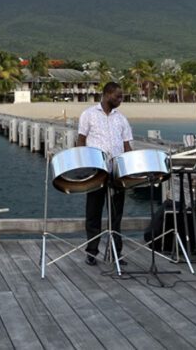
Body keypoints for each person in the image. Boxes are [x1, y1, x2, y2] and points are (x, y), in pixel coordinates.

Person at [77, 81, 133, 265]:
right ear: (107, 94)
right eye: (118, 96)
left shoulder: (122, 118)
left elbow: (127, 145)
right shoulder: (88, 115)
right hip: (96, 170)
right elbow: (81, 140)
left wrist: (131, 168)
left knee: (116, 215)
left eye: (122, 96)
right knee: (93, 212)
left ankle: (116, 253)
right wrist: (84, 165)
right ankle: (92, 252)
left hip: (116, 170)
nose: (121, 100)